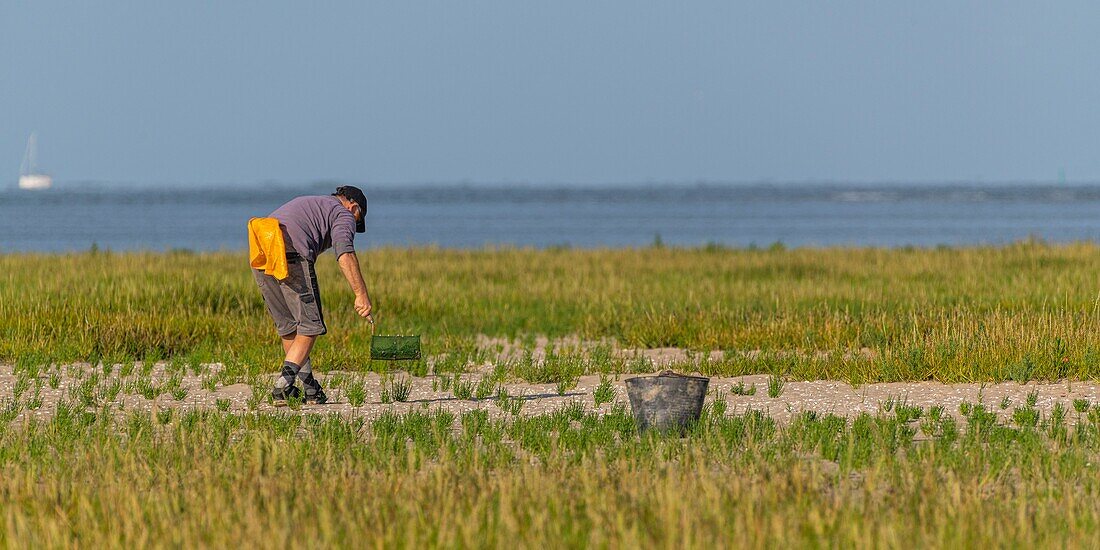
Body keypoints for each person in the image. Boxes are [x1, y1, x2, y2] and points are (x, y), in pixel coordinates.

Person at [250, 185, 373, 405]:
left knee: (290, 328)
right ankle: (281, 387)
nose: (354, 224)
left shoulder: (315, 203)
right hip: (290, 252)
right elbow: (345, 253)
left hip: (261, 252)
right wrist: (361, 295)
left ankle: (310, 389)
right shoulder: (343, 214)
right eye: (358, 219)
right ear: (354, 207)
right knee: (311, 325)